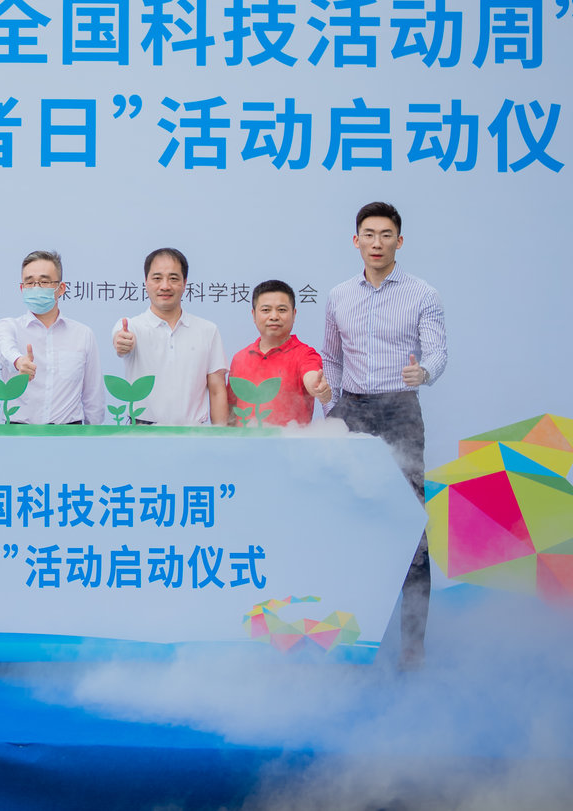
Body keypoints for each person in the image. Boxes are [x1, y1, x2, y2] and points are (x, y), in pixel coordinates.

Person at [322, 201, 447, 669]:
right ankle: (347, 637)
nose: (377, 243)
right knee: (345, 520)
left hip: (400, 410)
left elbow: (438, 351)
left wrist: (424, 372)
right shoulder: (338, 295)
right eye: (369, 234)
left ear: (400, 240)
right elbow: (331, 358)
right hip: (351, 411)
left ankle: (412, 645)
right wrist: (331, 409)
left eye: (386, 234)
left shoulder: (422, 294)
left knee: (411, 527)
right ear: (356, 241)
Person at [110, 248, 227, 425]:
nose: (165, 286)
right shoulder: (132, 326)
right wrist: (121, 343)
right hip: (142, 433)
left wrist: (220, 436)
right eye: (157, 278)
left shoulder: (208, 330)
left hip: (193, 433)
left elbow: (217, 390)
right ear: (146, 282)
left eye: (173, 278)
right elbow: (120, 340)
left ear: (185, 283)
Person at [0, 250, 105, 425]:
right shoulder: (8, 326)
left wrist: (93, 435)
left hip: (68, 433)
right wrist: (18, 361)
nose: (36, 287)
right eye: (30, 282)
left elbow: (93, 396)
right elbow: (3, 346)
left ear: (61, 288)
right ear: (22, 288)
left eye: (44, 282)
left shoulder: (82, 334)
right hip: (18, 433)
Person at [226, 279, 332, 427]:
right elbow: (231, 409)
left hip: (291, 441)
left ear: (294, 314)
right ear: (253, 315)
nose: (274, 316)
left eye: (282, 310)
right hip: (244, 441)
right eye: (266, 310)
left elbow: (312, 377)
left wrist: (319, 388)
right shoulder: (240, 358)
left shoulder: (305, 354)